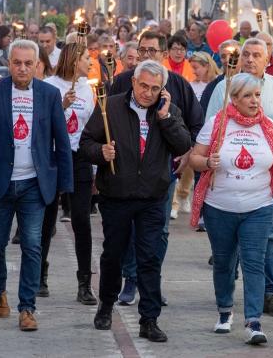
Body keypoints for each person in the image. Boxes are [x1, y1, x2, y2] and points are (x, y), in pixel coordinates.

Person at [0, 39, 73, 331]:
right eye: (17, 63)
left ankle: (27, 307)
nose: (22, 68)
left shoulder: (49, 94)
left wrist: (65, 185)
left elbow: (61, 141)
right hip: (1, 182)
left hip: (34, 184)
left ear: (37, 65)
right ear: (9, 64)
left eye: (28, 63)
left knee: (33, 245)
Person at [81, 60, 192, 342]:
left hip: (152, 197)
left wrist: (165, 118)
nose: (147, 92)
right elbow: (86, 142)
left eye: (155, 88)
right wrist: (100, 152)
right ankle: (106, 305)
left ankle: (149, 319)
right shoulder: (111, 107)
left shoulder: (168, 111)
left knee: (149, 258)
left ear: (162, 90)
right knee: (113, 255)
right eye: (143, 85)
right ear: (133, 82)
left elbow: (183, 145)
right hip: (117, 194)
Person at [189, 73, 273, 345]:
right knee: (223, 262)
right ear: (234, 98)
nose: (254, 100)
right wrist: (207, 162)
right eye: (247, 95)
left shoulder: (268, 126)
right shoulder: (217, 123)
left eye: (257, 95)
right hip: (219, 206)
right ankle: (225, 312)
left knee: (254, 262)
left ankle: (253, 322)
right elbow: (195, 158)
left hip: (258, 206)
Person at [206, 38, 273, 318]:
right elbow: (210, 127)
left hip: (266, 177)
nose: (249, 59)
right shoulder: (224, 87)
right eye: (245, 54)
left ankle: (268, 292)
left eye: (256, 55)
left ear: (268, 59)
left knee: (271, 237)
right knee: (228, 247)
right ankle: (227, 293)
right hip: (228, 179)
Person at [109, 31, 204, 305]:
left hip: (163, 171)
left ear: (163, 54)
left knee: (158, 230)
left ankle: (151, 281)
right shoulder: (122, 82)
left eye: (153, 51)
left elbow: (196, 124)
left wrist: (188, 153)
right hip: (127, 172)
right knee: (130, 229)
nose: (147, 56)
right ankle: (130, 279)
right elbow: (106, 121)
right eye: (143, 50)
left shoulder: (178, 85)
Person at [39, 43, 97, 304]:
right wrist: (61, 105)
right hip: (53, 155)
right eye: (86, 58)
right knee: (47, 218)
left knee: (82, 220)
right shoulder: (49, 85)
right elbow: (41, 123)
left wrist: (96, 168)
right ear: (74, 61)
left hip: (80, 156)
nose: (90, 63)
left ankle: (84, 282)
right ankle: (39, 274)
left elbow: (93, 128)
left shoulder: (88, 88)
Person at [199, 39, 240, 113]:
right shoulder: (212, 86)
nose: (227, 60)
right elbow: (203, 114)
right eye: (223, 56)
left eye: (231, 55)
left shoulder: (251, 82)